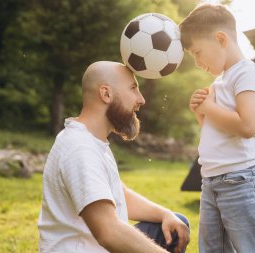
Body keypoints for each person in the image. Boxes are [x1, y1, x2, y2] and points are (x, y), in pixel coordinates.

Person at [37, 61, 190, 253]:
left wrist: (165, 214)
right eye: (133, 88)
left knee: (174, 225)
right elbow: (108, 231)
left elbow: (118, 194)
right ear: (106, 94)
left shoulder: (93, 140)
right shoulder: (80, 148)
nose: (141, 99)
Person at [179, 3, 255, 253]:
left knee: (253, 248)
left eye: (198, 52)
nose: (198, 62)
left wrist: (209, 108)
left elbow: (247, 125)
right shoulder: (219, 81)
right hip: (212, 180)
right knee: (213, 249)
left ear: (220, 38)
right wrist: (200, 113)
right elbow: (215, 130)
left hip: (241, 179)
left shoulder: (247, 73)